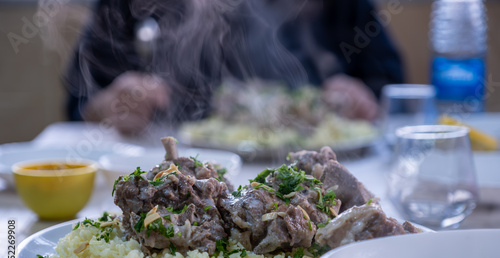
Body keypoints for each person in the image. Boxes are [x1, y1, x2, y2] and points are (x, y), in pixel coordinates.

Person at [65, 0, 404, 135]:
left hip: (314, 165)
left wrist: (365, 97)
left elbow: (391, 83)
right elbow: (78, 104)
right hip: (168, 171)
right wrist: (107, 105)